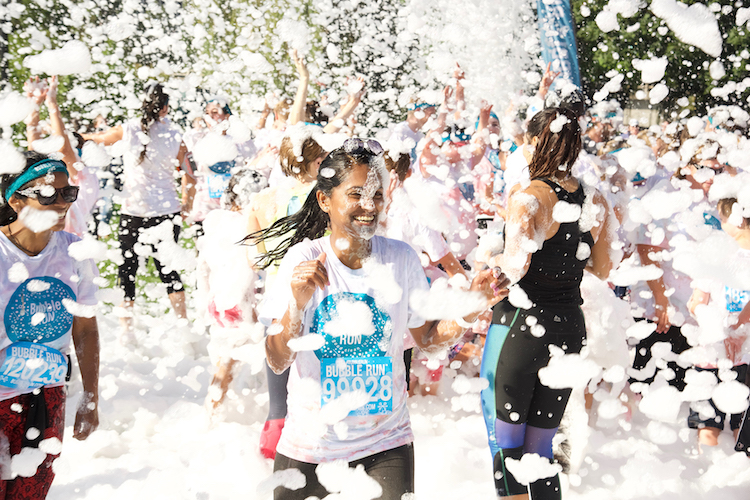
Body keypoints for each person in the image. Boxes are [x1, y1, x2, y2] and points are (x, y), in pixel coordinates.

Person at [250, 138, 509, 500]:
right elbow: (278, 360)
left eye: (376, 194)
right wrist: (297, 303)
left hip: (386, 442)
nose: (368, 206)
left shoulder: (400, 260)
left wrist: (472, 308)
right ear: (325, 200)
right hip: (312, 446)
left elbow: (429, 339)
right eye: (355, 194)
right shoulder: (303, 260)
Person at [481, 107, 615, 500]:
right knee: (540, 449)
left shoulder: (529, 196)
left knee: (505, 445)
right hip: (569, 328)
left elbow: (515, 268)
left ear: (534, 141)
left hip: (522, 326)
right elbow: (604, 267)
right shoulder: (595, 200)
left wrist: (491, 257)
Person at [0, 151, 100, 498]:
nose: (61, 203)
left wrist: (90, 396)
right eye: (46, 195)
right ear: (15, 199)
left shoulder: (75, 252)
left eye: (67, 194)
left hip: (47, 398)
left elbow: (85, 328)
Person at [82, 83, 192, 340]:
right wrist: (186, 200)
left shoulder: (129, 128)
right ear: (165, 108)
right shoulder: (175, 134)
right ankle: (184, 328)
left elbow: (98, 138)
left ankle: (125, 332)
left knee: (126, 271)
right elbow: (189, 174)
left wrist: (76, 136)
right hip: (167, 212)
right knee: (169, 270)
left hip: (133, 212)